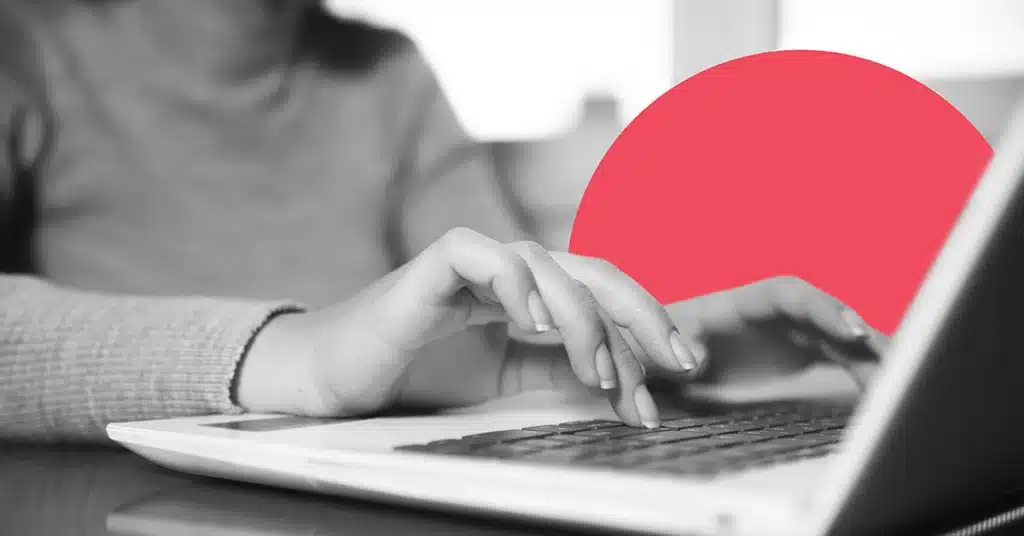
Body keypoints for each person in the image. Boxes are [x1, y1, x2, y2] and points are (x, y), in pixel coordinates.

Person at [0, 0, 885, 442]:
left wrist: (677, 346)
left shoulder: (387, 72)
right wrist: (303, 353)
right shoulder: (25, 47)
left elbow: (497, 331)